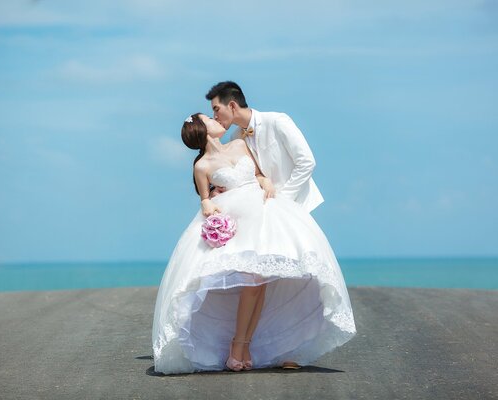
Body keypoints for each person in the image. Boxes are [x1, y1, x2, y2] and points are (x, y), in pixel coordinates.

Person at [151, 113, 356, 375]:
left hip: (264, 215)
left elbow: (258, 172)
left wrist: (263, 180)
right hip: (239, 222)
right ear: (204, 131)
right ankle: (237, 346)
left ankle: (244, 345)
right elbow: (205, 200)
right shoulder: (202, 166)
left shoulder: (239, 144)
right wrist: (210, 206)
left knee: (261, 280)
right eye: (210, 120)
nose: (218, 121)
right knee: (252, 279)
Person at [206, 81, 323, 212]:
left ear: (232, 106)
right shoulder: (235, 138)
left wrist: (284, 200)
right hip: (265, 210)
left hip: (300, 206)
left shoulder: (277, 121)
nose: (214, 117)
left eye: (216, 109)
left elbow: (306, 162)